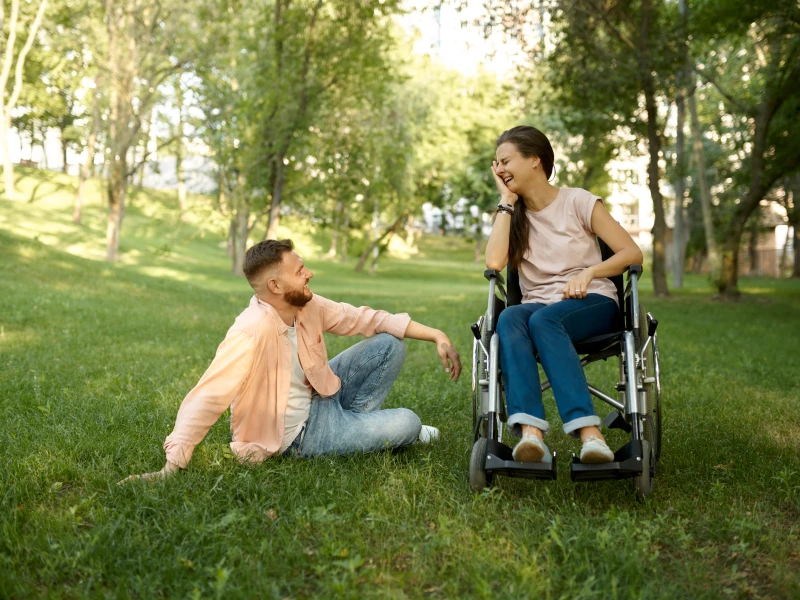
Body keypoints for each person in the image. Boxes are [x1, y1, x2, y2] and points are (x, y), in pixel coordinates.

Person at [121, 239, 461, 482]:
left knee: (389, 344)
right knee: (409, 423)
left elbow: (362, 317)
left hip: (321, 396)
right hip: (297, 435)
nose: (309, 273)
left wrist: (436, 334)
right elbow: (208, 395)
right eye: (300, 271)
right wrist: (173, 463)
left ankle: (356, 428)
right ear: (275, 285)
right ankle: (364, 430)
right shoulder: (250, 332)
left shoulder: (306, 304)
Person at [485, 125, 643, 464]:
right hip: (540, 308)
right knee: (511, 316)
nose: (498, 170)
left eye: (505, 161)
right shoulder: (512, 215)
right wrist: (507, 202)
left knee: (544, 320)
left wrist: (590, 272)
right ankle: (531, 435)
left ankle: (591, 436)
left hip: (593, 303)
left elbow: (631, 254)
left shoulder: (578, 201)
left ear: (534, 161)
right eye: (495, 164)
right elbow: (494, 262)